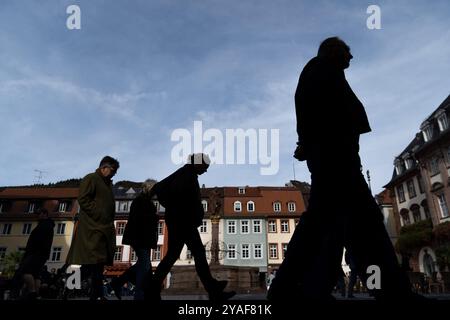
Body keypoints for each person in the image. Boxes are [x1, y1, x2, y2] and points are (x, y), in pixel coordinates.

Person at [268, 37, 416, 301]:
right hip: (337, 162)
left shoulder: (319, 72)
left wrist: (307, 145)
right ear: (334, 51)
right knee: (360, 225)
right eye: (348, 52)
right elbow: (327, 117)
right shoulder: (323, 71)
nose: (351, 57)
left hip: (334, 160)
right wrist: (314, 145)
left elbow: (314, 118)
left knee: (333, 226)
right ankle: (392, 291)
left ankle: (297, 288)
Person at [145, 153, 235, 301]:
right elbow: (161, 190)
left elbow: (160, 188)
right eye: (205, 167)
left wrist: (176, 210)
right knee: (199, 254)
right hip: (183, 222)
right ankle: (213, 290)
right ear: (198, 163)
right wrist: (179, 210)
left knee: (173, 255)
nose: (205, 170)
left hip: (180, 221)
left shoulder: (186, 173)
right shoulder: (186, 175)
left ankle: (152, 289)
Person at [66, 156, 119, 300]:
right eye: (113, 170)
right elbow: (83, 199)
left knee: (96, 265)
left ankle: (95, 295)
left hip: (101, 229)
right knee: (92, 264)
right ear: (104, 167)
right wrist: (99, 213)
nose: (114, 174)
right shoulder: (91, 178)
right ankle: (69, 288)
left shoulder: (106, 184)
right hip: (92, 229)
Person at [111, 179, 158, 300]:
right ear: (149, 189)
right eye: (154, 189)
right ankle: (139, 294)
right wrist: (154, 218)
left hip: (143, 239)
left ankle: (118, 282)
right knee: (145, 266)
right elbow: (139, 222)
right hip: (140, 239)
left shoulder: (146, 202)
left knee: (142, 265)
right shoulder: (141, 201)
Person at [14, 208, 54, 300]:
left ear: (45, 214)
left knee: (25, 272)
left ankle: (32, 293)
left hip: (35, 253)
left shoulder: (43, 225)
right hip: (42, 254)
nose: (37, 216)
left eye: (39, 214)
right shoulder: (48, 225)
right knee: (35, 274)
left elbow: (37, 241)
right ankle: (36, 294)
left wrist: (29, 253)